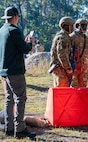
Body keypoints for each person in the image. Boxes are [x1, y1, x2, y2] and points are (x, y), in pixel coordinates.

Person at [0, 6, 36, 139]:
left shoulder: (2, 30)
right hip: (15, 71)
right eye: (18, 16)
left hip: (4, 70)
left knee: (9, 99)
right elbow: (24, 49)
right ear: (15, 16)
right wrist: (30, 43)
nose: (18, 19)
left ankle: (9, 128)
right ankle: (19, 129)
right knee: (20, 98)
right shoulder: (14, 31)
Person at [49, 16, 74, 87]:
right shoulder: (63, 38)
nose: (72, 28)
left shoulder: (62, 36)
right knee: (62, 89)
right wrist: (68, 68)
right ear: (65, 26)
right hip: (60, 68)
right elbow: (62, 55)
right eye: (71, 26)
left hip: (59, 68)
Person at [69, 18, 88, 87]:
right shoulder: (72, 37)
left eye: (86, 25)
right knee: (74, 84)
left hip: (84, 65)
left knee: (84, 84)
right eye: (83, 25)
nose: (84, 27)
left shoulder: (86, 38)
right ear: (77, 26)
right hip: (74, 64)